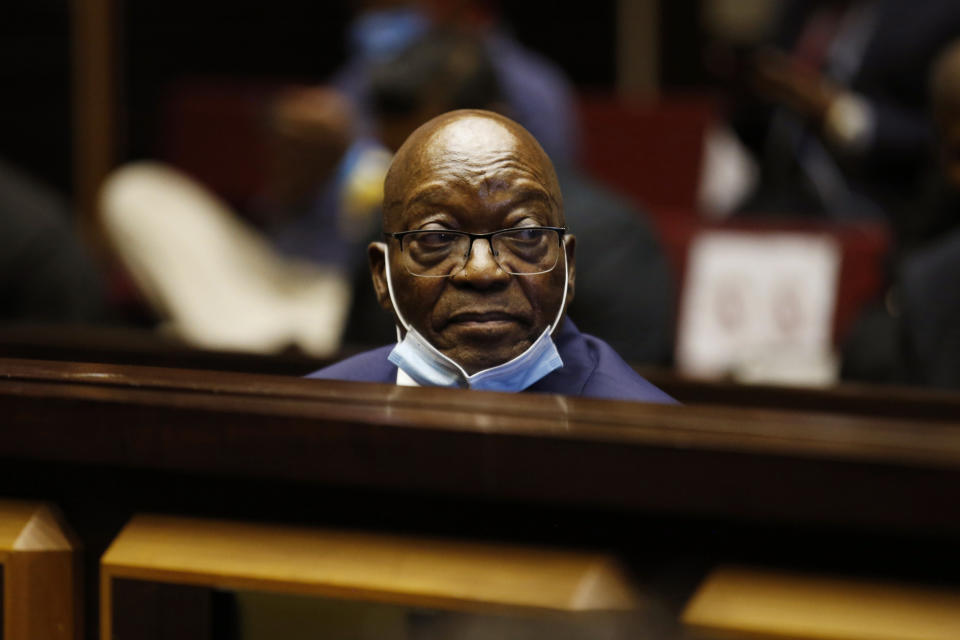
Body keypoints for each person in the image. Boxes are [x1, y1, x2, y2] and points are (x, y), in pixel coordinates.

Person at [308, 110, 674, 403]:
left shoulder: (647, 442)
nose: (482, 271)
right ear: (381, 274)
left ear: (570, 266)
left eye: (525, 234)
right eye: (438, 237)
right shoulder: (313, 420)